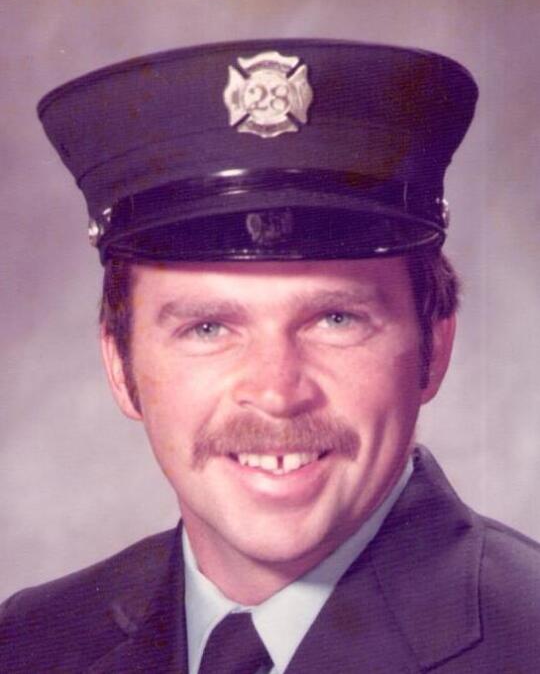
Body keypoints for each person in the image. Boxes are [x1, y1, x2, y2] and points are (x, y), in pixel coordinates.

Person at [1, 39, 538, 673]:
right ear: (121, 367)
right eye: (207, 328)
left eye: (336, 319)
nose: (277, 393)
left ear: (435, 348)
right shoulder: (29, 643)